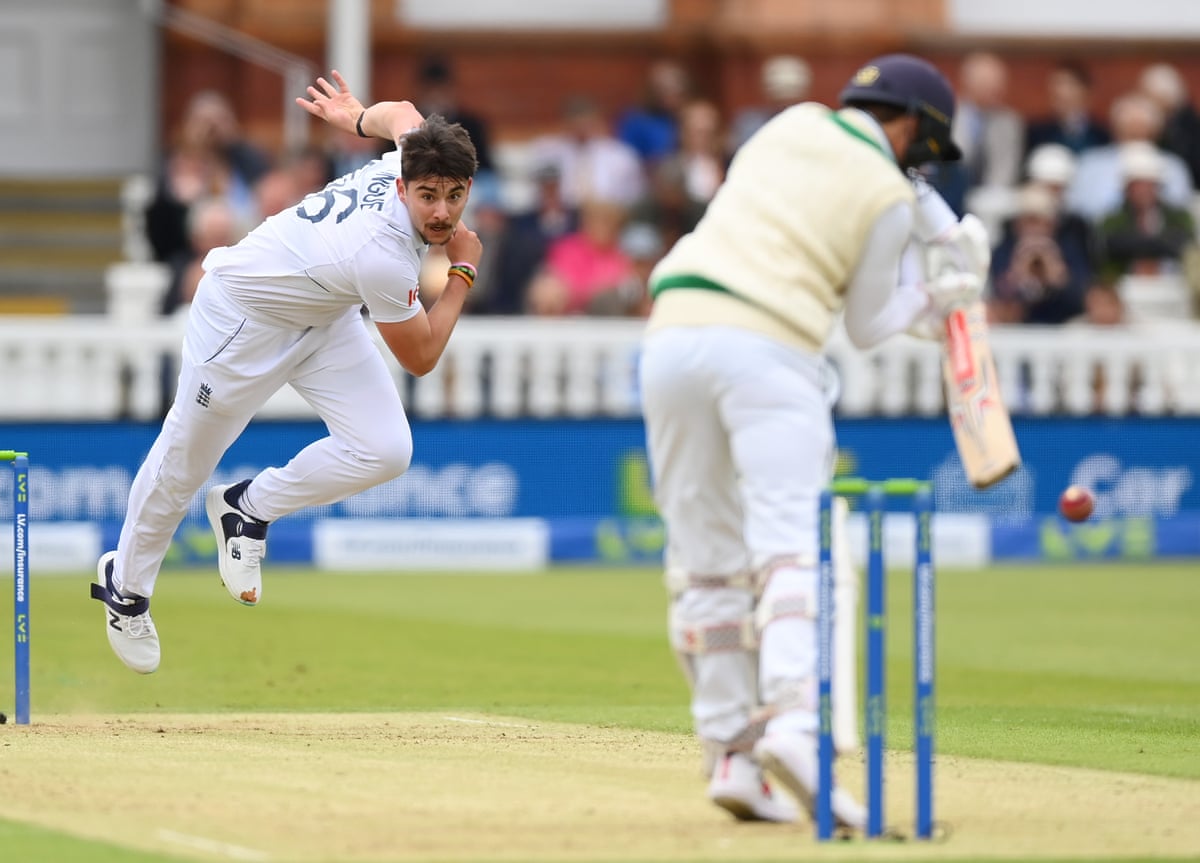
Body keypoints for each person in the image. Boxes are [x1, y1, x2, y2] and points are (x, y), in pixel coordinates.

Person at [638, 54, 982, 831]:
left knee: (706, 558)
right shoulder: (890, 194)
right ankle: (794, 724)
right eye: (924, 149)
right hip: (770, 348)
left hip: (671, 336)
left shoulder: (786, 125)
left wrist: (931, 276)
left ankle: (730, 752)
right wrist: (939, 296)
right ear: (912, 127)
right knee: (798, 547)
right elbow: (865, 325)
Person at [90, 71, 482, 674]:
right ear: (402, 187)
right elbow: (421, 357)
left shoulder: (411, 148)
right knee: (183, 465)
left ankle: (249, 506)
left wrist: (354, 117)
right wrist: (463, 271)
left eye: (454, 195)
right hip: (242, 320)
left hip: (323, 313)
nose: (442, 212)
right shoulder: (381, 254)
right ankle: (127, 587)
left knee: (385, 449)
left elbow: (401, 110)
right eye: (428, 195)